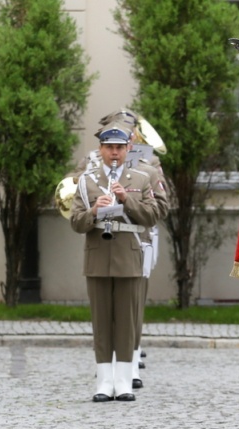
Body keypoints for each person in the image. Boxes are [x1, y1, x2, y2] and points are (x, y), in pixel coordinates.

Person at [68, 125, 159, 402]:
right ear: (101, 150)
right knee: (102, 321)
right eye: (109, 147)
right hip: (97, 253)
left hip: (129, 253)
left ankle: (124, 381)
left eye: (119, 147)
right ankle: (104, 382)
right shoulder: (87, 181)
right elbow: (75, 221)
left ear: (127, 149)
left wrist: (125, 199)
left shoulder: (142, 178)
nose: (115, 152)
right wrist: (95, 211)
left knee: (126, 321)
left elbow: (153, 215)